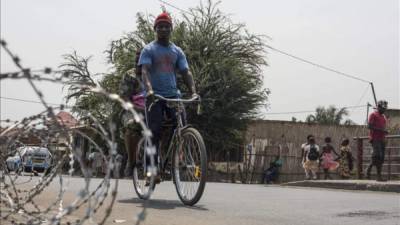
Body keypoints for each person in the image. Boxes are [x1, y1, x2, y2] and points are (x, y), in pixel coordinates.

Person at [138, 12, 198, 181]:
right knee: (154, 131)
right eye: (160, 26)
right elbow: (145, 71)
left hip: (173, 96)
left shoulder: (177, 51)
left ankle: (171, 161)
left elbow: (186, 72)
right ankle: (150, 170)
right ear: (155, 29)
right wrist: (149, 91)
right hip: (154, 97)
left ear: (171, 29)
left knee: (181, 127)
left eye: (166, 26)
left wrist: (193, 91)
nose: (163, 29)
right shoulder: (149, 49)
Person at [366, 100, 389, 181]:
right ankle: (378, 176)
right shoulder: (373, 115)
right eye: (383, 108)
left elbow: (382, 127)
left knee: (381, 157)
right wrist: (382, 130)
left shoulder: (383, 117)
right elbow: (369, 126)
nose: (384, 110)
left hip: (382, 139)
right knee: (378, 156)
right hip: (375, 139)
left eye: (385, 108)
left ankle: (368, 170)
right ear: (378, 107)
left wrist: (385, 132)